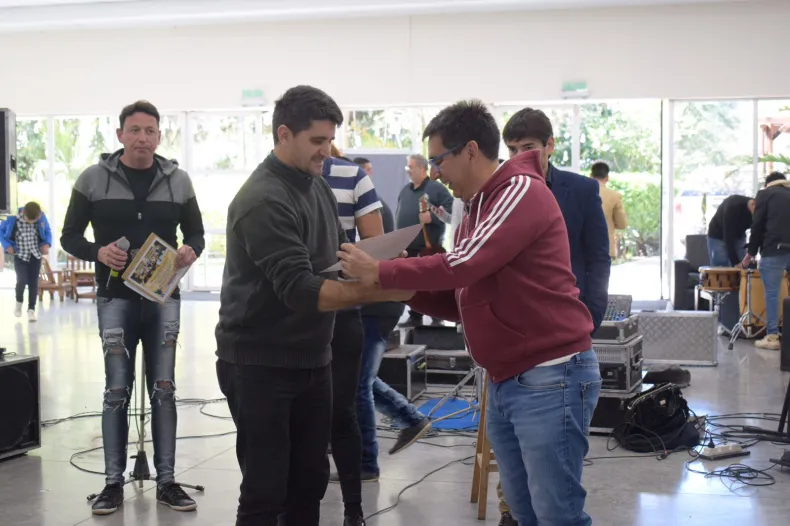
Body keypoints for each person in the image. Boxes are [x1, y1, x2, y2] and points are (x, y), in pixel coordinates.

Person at [339, 100, 601, 526]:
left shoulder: (519, 190)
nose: (435, 173)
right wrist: (404, 288)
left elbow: (463, 264)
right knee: (522, 512)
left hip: (549, 376)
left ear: (472, 151)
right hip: (506, 380)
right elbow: (463, 295)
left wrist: (382, 271)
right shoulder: (477, 208)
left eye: (439, 160)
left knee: (557, 515)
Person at [214, 85, 411, 526]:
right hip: (260, 364)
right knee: (266, 490)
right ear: (284, 134)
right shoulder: (264, 199)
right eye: (317, 141)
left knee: (308, 483)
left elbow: (338, 259)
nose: (327, 151)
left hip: (313, 359)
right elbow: (304, 291)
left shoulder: (316, 185)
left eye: (330, 140)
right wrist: (385, 289)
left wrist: (381, 265)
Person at [60, 100, 206, 515]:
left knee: (164, 389)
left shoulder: (178, 180)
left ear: (159, 136)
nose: (143, 137)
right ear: (120, 134)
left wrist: (191, 249)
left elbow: (196, 232)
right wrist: (97, 251)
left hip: (163, 298)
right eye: (135, 130)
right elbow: (70, 236)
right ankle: (112, 484)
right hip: (115, 299)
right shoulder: (92, 179)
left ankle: (167, 482)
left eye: (150, 131)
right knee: (116, 391)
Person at [498, 107, 610, 526]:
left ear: (550, 146)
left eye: (528, 147)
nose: (520, 157)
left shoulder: (580, 190)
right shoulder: (502, 190)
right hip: (516, 340)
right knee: (520, 484)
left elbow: (598, 256)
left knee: (555, 488)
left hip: (565, 337)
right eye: (512, 150)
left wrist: (590, 315)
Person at [350, 157, 432, 477]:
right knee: (359, 378)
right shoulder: (373, 201)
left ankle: (366, 463)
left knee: (358, 383)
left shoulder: (367, 204)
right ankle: (411, 419)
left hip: (377, 304)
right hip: (373, 303)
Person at [321, 153, 384, 525]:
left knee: (343, 411)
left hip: (342, 312)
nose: (322, 147)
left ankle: (354, 510)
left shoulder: (353, 176)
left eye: (326, 138)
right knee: (301, 417)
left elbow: (375, 249)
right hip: (293, 316)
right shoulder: (271, 181)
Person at [395, 153, 454, 327]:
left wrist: (433, 217)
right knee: (411, 282)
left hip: (428, 246)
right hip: (408, 247)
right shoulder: (405, 190)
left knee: (433, 283)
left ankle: (437, 318)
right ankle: (415, 316)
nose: (408, 170)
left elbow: (452, 211)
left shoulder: (437, 189)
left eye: (410, 167)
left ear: (422, 168)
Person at [742, 171, 790, 351]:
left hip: (773, 249)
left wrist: (751, 253)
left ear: (768, 184)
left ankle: (772, 337)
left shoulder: (765, 194)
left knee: (772, 294)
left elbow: (758, 225)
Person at [0, 201, 52, 321]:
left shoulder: (41, 216)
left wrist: (47, 244)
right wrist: (7, 245)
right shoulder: (12, 217)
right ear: (23, 212)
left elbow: (47, 231)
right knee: (21, 281)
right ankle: (19, 303)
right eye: (29, 220)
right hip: (20, 255)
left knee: (34, 282)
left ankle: (31, 310)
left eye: (34, 220)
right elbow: (1, 231)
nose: (32, 222)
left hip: (35, 254)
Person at [591, 161, 628, 259]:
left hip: (582, 247)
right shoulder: (615, 196)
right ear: (607, 178)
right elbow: (622, 224)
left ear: (590, 176)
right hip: (605, 247)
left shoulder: (579, 192)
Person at [707, 194, 754, 267]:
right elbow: (728, 237)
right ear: (752, 204)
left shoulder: (757, 211)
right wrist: (736, 262)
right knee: (721, 268)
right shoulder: (733, 206)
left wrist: (752, 252)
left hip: (739, 235)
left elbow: (757, 232)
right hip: (718, 235)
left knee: (743, 266)